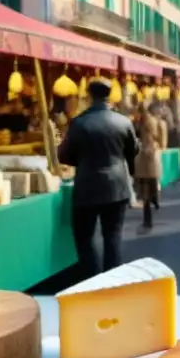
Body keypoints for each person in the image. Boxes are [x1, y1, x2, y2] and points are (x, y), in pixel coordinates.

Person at [57, 77, 138, 278]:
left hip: (87, 185)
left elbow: (64, 155)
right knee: (113, 235)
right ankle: (113, 279)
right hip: (118, 185)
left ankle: (92, 280)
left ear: (89, 95)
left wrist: (84, 161)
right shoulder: (123, 121)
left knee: (85, 237)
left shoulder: (79, 122)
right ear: (109, 95)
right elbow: (133, 151)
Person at [134, 101, 168, 230]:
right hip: (153, 154)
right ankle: (155, 200)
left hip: (140, 155)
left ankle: (147, 216)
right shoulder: (159, 123)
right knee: (152, 181)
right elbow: (163, 143)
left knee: (144, 188)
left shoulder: (137, 122)